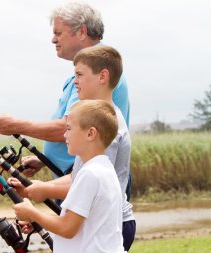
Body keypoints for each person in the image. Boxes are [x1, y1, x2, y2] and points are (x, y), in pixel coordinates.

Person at [9, 45, 135, 251]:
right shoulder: (96, 136)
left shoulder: (106, 129)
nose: (74, 81)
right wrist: (36, 190)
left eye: (79, 74)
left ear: (103, 76)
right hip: (92, 222)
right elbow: (79, 180)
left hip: (107, 223)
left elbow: (85, 190)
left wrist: (39, 200)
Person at [0, 1, 130, 180]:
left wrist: (15, 126)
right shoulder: (84, 75)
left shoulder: (98, 73)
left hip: (84, 177)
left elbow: (69, 126)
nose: (53, 39)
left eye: (58, 33)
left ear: (81, 32)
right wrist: (46, 159)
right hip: (76, 173)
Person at [13, 99, 124, 253]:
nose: (65, 135)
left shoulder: (90, 174)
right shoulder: (104, 169)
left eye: (69, 129)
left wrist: (32, 213)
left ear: (90, 133)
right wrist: (38, 219)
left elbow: (67, 228)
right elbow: (79, 224)